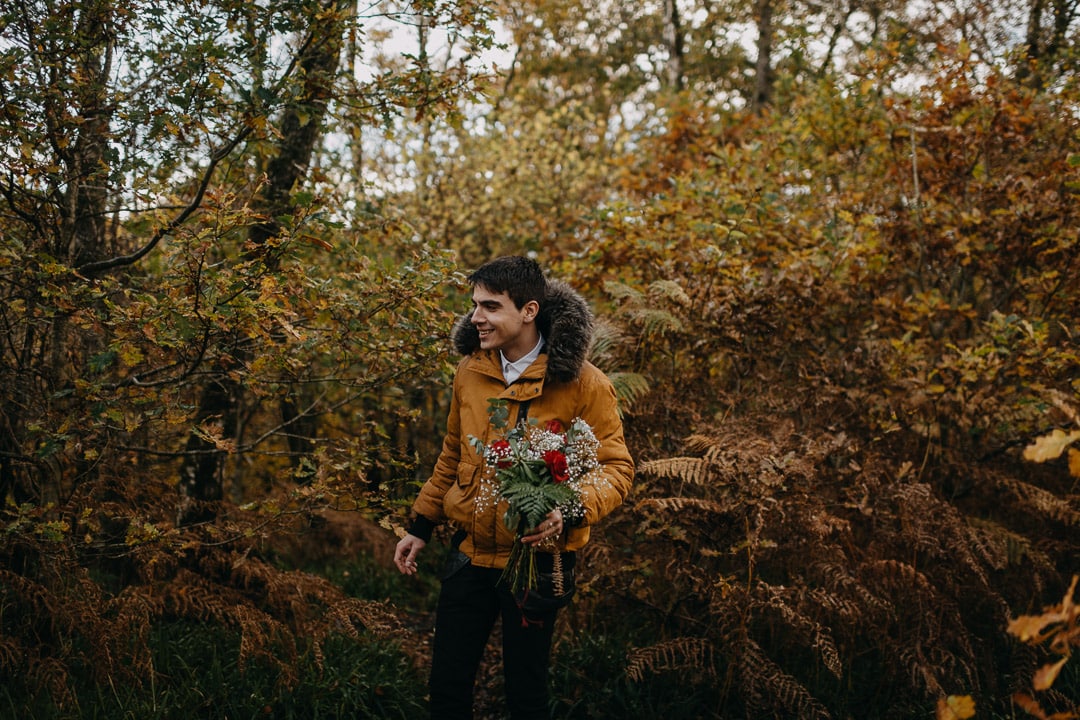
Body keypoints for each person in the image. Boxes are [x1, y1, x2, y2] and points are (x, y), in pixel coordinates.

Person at [393, 255, 634, 720]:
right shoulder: (470, 371)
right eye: (474, 305)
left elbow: (615, 468)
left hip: (537, 564)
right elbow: (451, 453)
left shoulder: (584, 383)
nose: (475, 317)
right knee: (446, 689)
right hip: (469, 554)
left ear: (528, 311)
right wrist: (420, 525)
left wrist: (570, 508)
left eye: (490, 306)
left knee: (525, 695)